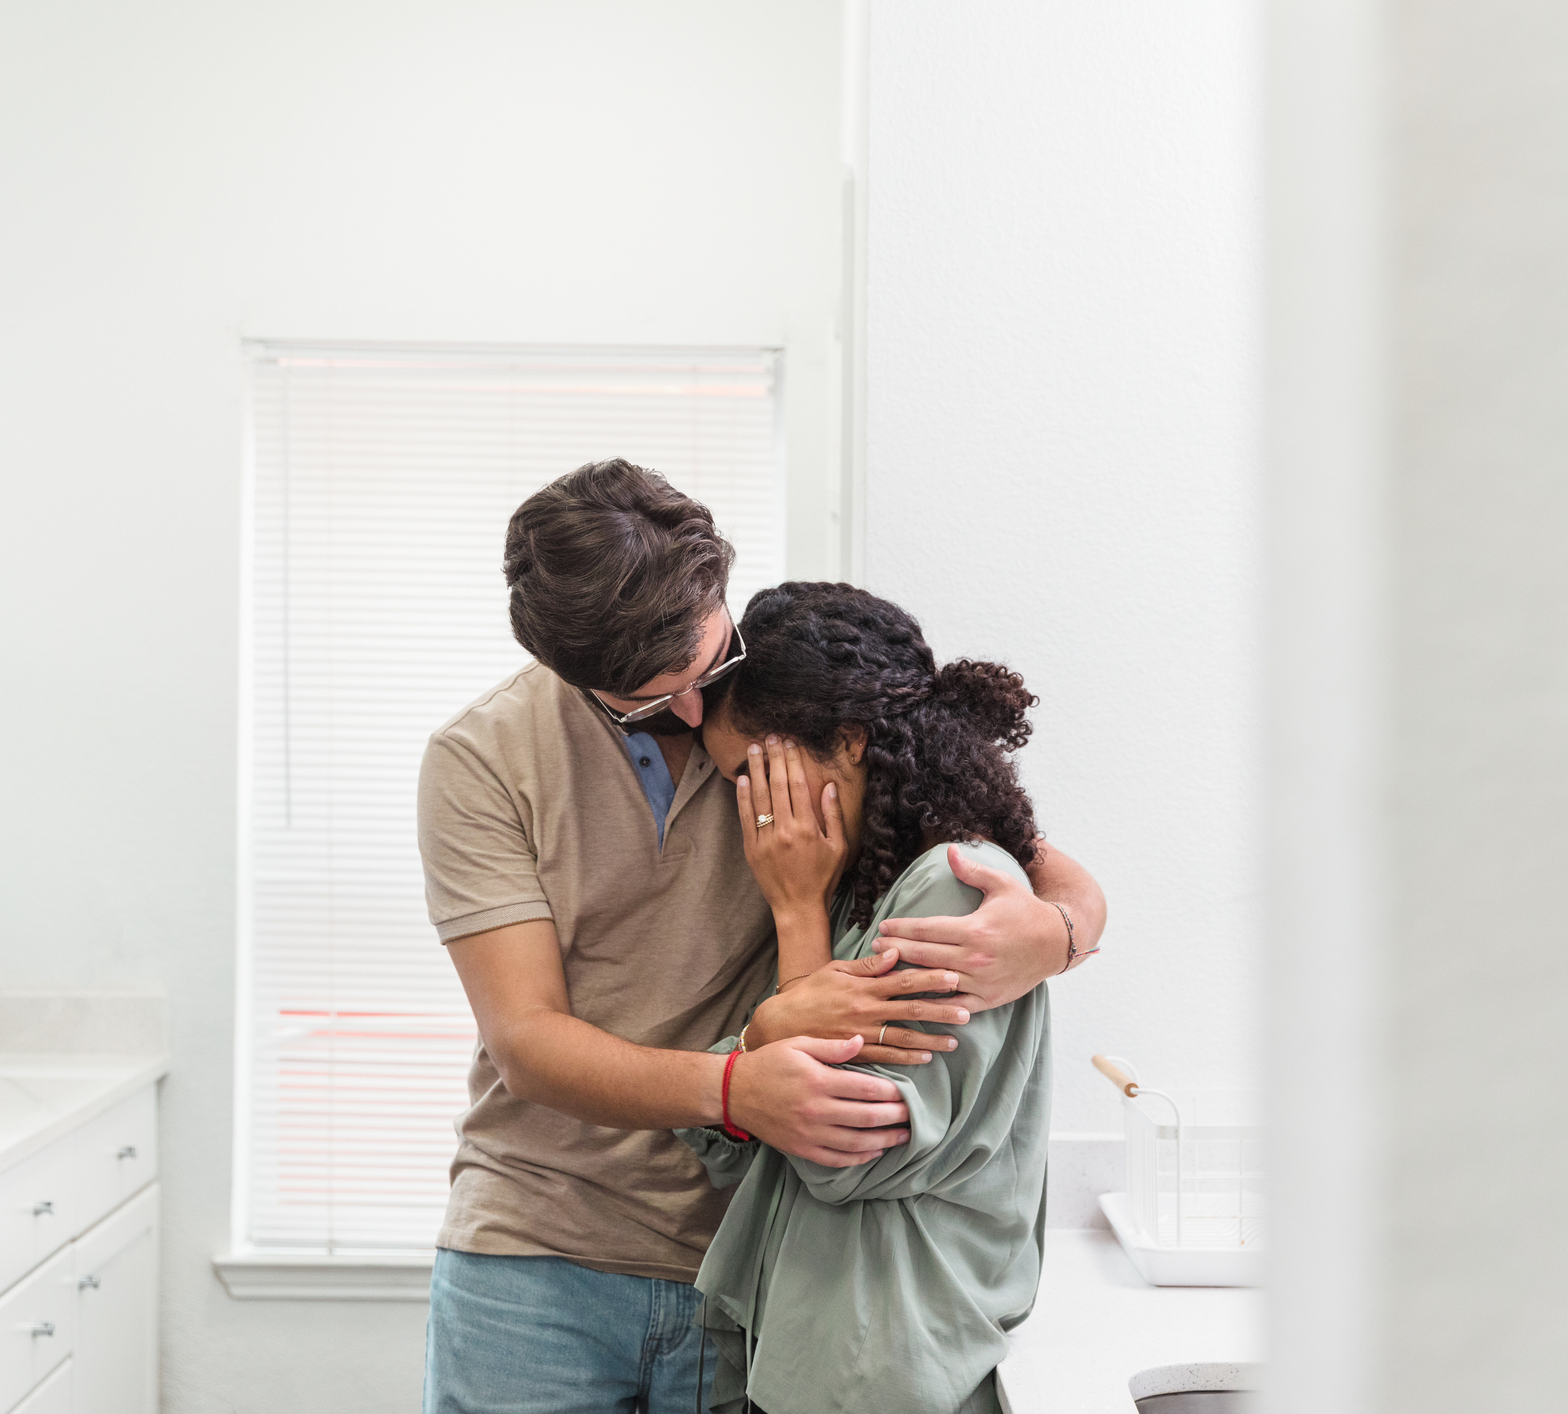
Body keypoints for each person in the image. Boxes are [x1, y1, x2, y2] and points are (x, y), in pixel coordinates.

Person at [418, 459, 1104, 1413]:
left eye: (711, 667)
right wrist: (738, 1086)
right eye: (658, 701)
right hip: (536, 1256)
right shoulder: (482, 760)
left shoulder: (783, 706)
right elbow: (526, 1042)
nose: (698, 716)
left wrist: (1059, 931)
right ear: (578, 677)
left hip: (746, 1269)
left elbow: (999, 835)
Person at [682, 581, 1053, 1414]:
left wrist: (792, 916)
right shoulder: (872, 890)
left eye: (752, 776)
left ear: (847, 742)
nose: (749, 814)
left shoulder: (950, 891)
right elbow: (743, 1137)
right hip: (831, 1357)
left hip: (877, 1372)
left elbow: (833, 1145)